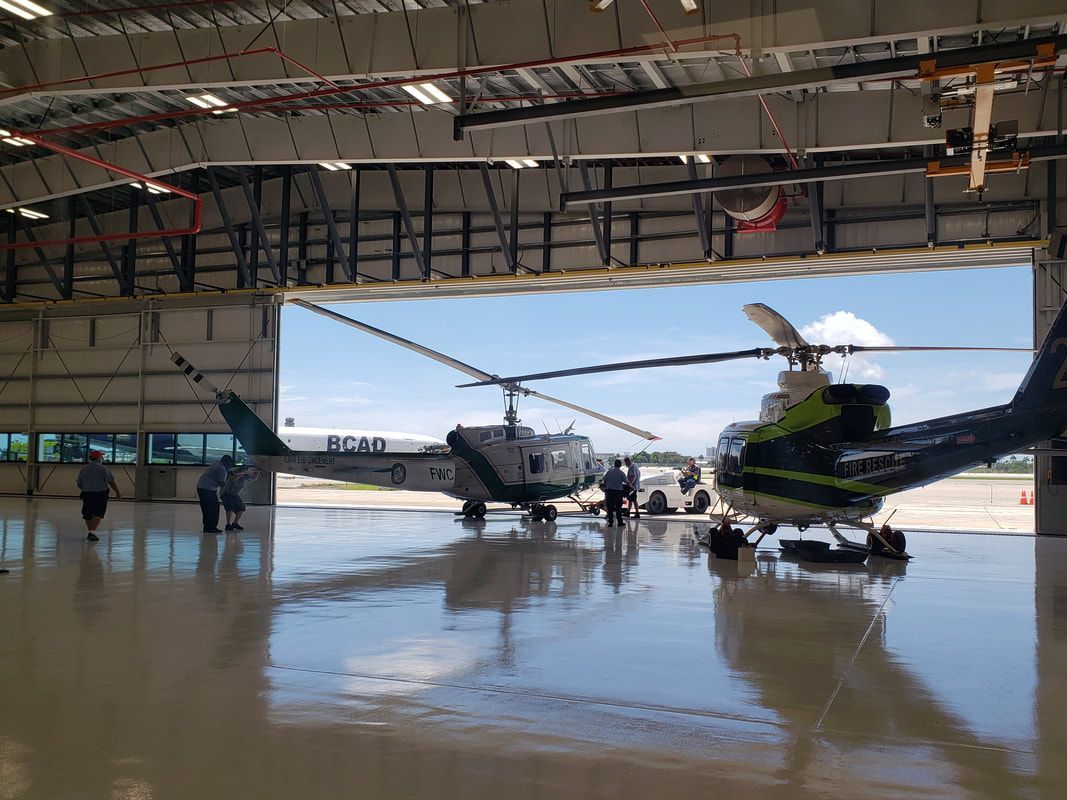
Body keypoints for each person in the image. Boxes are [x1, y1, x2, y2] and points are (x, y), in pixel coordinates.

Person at [76, 450, 121, 542]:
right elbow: (111, 482)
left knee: (87, 514)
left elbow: (79, 483)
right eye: (101, 456)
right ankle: (92, 533)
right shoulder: (104, 468)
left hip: (87, 494)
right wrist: (117, 492)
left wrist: (84, 489)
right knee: (99, 513)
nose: (102, 458)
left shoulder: (84, 468)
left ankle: (91, 532)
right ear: (98, 458)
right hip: (100, 494)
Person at [196, 454, 233, 534]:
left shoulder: (217, 463)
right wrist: (229, 480)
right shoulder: (222, 469)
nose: (230, 466)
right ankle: (212, 528)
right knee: (214, 509)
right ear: (227, 463)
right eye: (230, 464)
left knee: (206, 509)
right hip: (208, 489)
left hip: (201, 486)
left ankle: (207, 528)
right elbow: (222, 484)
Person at [221, 465, 259, 531]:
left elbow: (253, 478)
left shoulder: (245, 475)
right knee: (229, 508)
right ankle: (228, 524)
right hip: (226, 493)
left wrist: (257, 473)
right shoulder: (232, 472)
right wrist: (243, 473)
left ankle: (235, 523)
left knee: (241, 507)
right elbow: (233, 479)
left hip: (234, 494)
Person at [602, 458, 629, 527]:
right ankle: (620, 522)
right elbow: (626, 482)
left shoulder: (609, 472)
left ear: (614, 465)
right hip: (618, 493)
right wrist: (632, 486)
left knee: (610, 507)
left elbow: (604, 479)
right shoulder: (621, 473)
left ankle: (610, 522)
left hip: (610, 492)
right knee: (618, 508)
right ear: (620, 465)